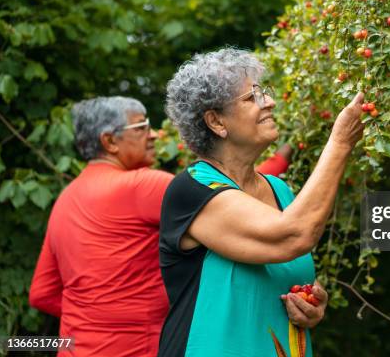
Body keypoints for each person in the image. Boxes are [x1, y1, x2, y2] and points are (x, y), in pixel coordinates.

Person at [29, 96, 294, 357]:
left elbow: (41, 294)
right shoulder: (141, 186)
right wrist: (284, 156)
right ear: (109, 141)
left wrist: (95, 321)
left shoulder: (65, 199)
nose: (154, 134)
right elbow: (230, 201)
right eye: (141, 127)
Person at [159, 48, 364, 356]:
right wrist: (339, 143)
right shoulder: (191, 191)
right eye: (251, 97)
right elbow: (295, 235)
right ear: (216, 122)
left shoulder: (279, 190)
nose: (269, 101)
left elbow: (286, 272)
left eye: (263, 92)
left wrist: (312, 302)